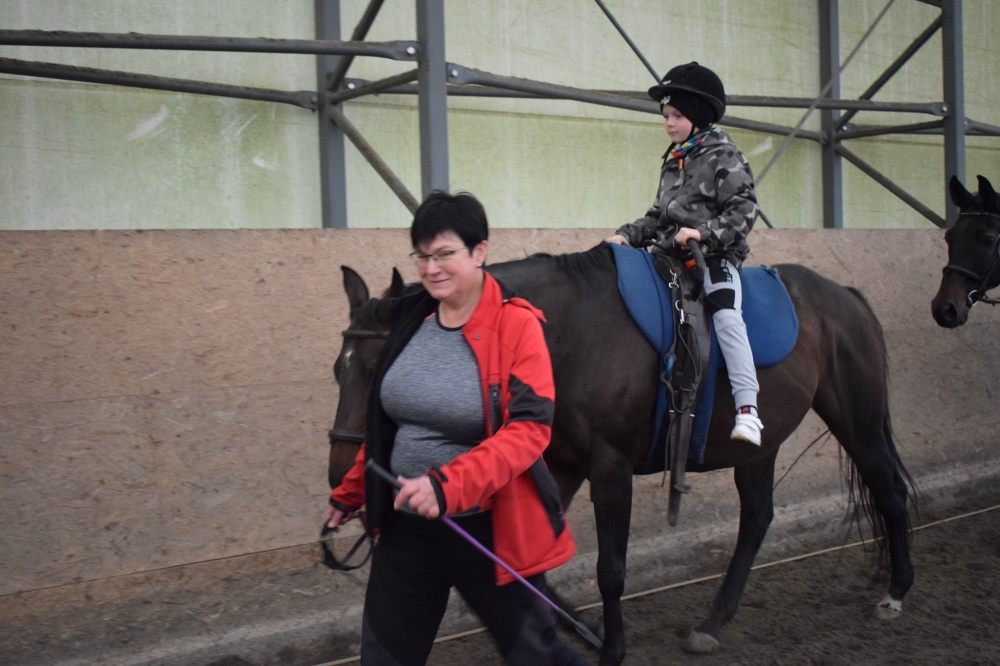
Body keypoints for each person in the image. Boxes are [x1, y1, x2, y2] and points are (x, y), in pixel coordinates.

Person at [325, 190, 583, 665]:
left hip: (486, 529)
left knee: (537, 657)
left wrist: (446, 486)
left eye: (444, 254)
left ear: (479, 251)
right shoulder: (411, 319)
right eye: (422, 256)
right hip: (405, 530)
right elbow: (387, 426)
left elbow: (529, 430)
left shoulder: (517, 326)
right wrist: (351, 493)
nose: (431, 268)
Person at [606, 61, 764, 446]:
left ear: (698, 117)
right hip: (668, 257)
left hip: (714, 257)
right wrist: (626, 235)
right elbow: (658, 216)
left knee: (726, 315)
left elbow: (745, 210)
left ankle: (748, 409)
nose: (669, 123)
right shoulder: (675, 158)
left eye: (677, 116)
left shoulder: (724, 156)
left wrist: (703, 234)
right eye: (666, 116)